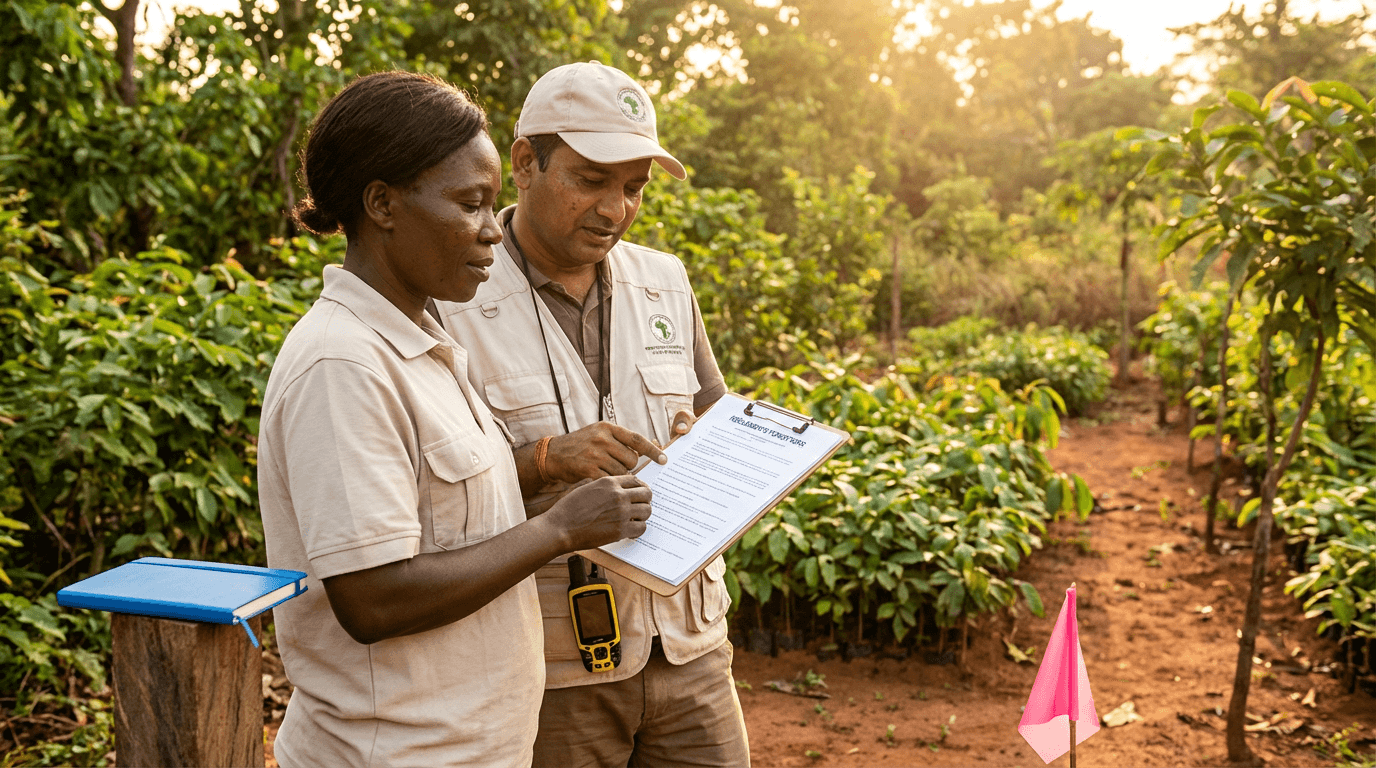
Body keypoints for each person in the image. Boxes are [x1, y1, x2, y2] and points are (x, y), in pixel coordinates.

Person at [257, 71, 653, 768]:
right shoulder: (343, 364)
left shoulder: (423, 347)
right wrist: (560, 529)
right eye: (471, 205)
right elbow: (374, 599)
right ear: (382, 203)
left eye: (492, 205)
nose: (492, 231)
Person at [434, 61, 749, 767]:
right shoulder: (453, 299)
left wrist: (712, 445)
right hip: (552, 663)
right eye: (592, 180)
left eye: (634, 188)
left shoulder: (665, 280)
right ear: (525, 163)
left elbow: (711, 407)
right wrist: (545, 460)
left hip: (691, 645)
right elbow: (439, 501)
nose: (615, 209)